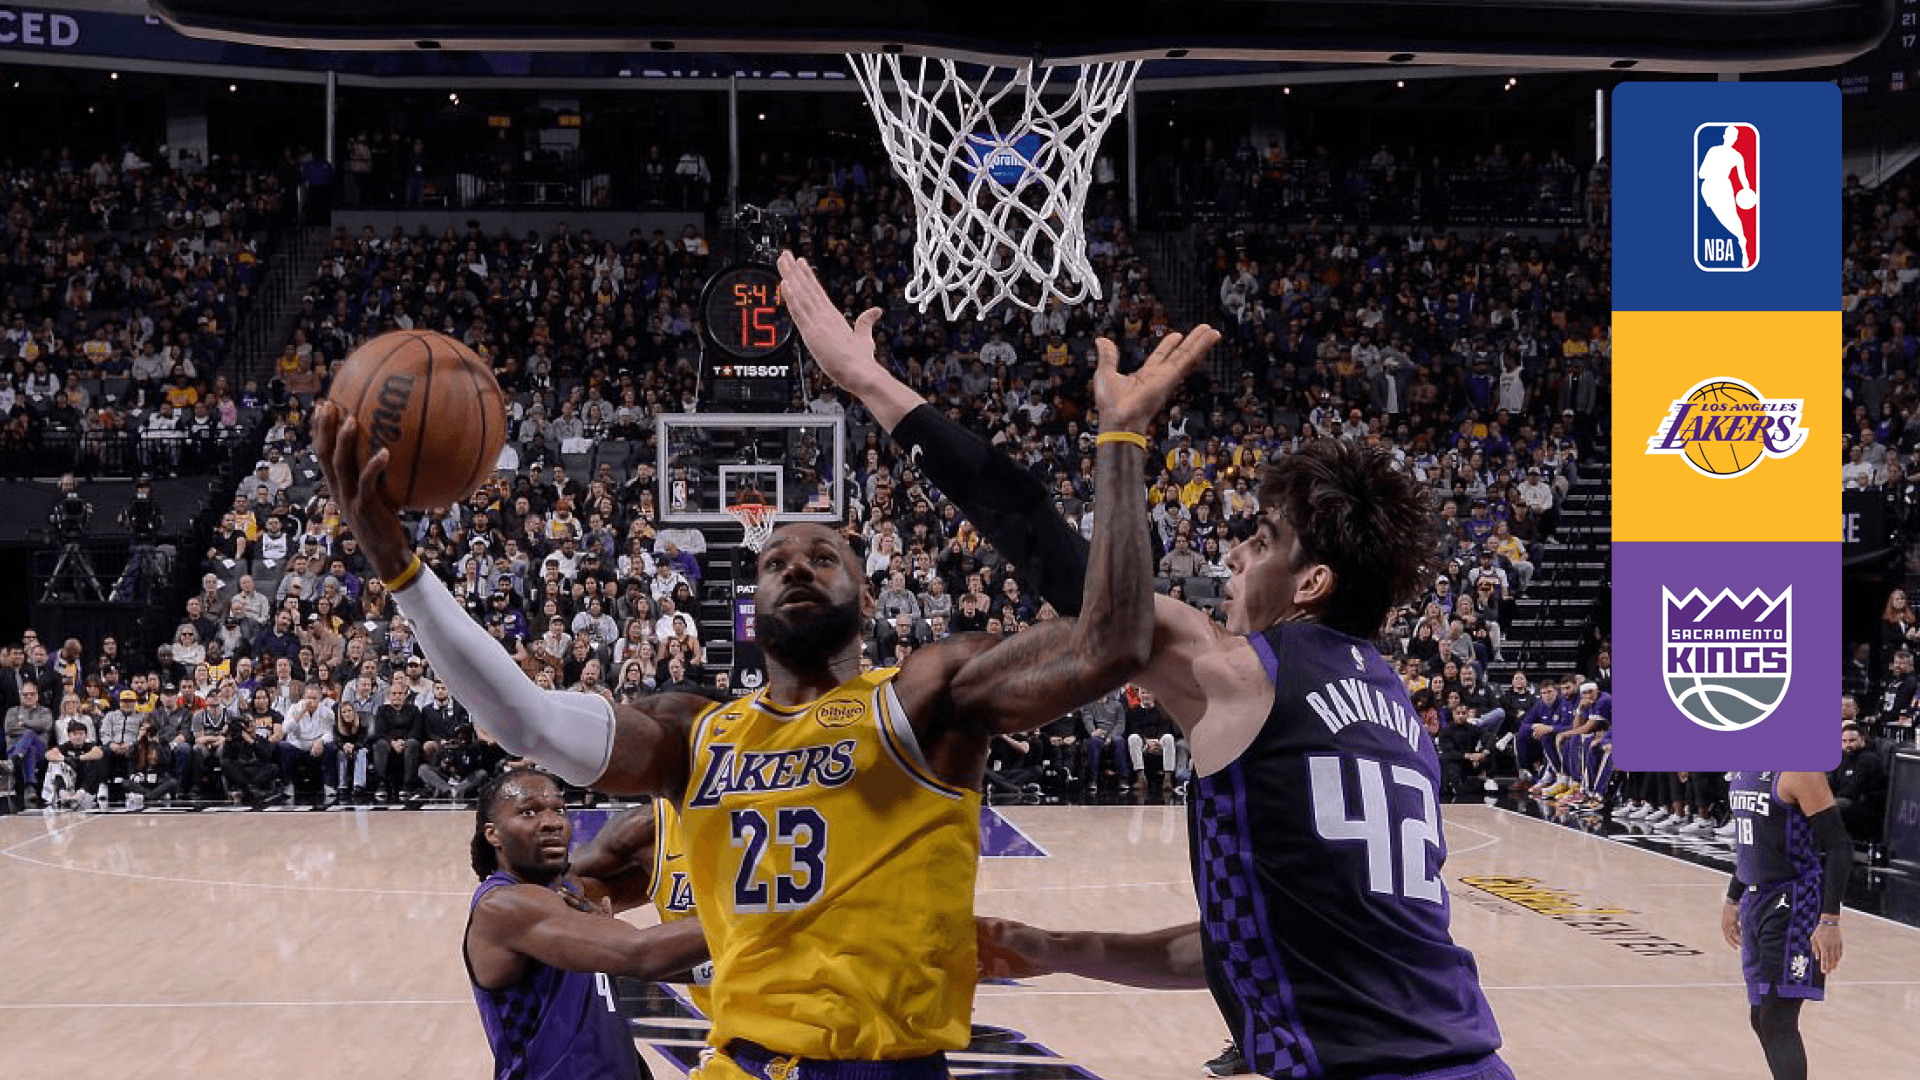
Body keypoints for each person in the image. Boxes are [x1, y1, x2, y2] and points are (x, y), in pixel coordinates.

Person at [310, 289, 1211, 1079]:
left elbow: (1113, 638)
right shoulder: (694, 735)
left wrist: (1120, 438)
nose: (797, 564)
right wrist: (399, 569)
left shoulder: (927, 699)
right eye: (776, 559)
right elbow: (527, 721)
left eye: (824, 555)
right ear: (752, 601)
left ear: (866, 594)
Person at [775, 251, 1509, 1080]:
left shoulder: (1246, 675)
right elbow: (1252, 939)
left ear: (1311, 583)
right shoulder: (1395, 709)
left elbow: (1063, 566)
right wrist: (1049, 947)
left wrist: (871, 384)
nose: (1235, 557)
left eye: (1261, 542)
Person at [465, 767, 708, 1080]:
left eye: (559, 809)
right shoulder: (504, 907)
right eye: (528, 812)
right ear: (493, 834)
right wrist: (756, 915)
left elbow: (656, 875)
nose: (552, 822)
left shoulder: (569, 893)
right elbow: (641, 955)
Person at [1722, 771, 1852, 1080]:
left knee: (1777, 1018)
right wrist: (1732, 898)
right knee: (1760, 1016)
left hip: (1794, 902)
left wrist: (1830, 919)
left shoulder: (1799, 769)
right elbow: (1750, 841)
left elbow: (1839, 845)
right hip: (1756, 899)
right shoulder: (1743, 768)